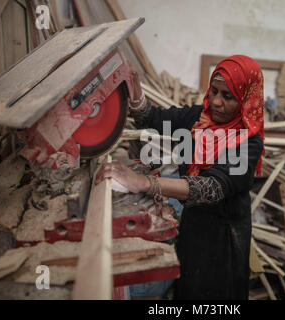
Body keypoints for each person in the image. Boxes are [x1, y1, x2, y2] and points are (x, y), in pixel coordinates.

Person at [95, 55, 265, 300]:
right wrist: (135, 92)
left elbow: (212, 187)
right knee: (188, 285)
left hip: (223, 237)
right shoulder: (199, 118)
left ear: (246, 99)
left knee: (214, 294)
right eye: (214, 91)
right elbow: (153, 120)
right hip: (194, 223)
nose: (216, 102)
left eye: (228, 97)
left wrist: (145, 182)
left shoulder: (249, 141)